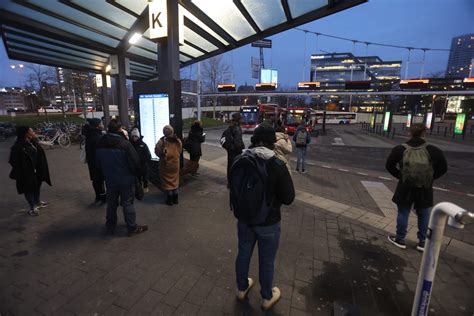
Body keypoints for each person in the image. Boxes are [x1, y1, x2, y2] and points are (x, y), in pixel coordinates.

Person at [230, 122, 295, 311]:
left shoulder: (240, 159)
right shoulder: (276, 163)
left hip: (244, 219)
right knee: (266, 261)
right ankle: (267, 297)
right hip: (269, 222)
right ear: (271, 142)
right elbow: (289, 198)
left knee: (243, 253)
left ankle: (242, 288)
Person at [386, 123, 447, 252]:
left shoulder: (400, 149)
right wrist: (429, 178)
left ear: (409, 132)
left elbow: (389, 166)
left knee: (403, 212)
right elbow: (443, 168)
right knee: (423, 213)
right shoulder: (433, 150)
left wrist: (401, 176)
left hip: (405, 187)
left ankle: (400, 239)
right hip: (425, 187)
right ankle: (422, 242)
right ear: (424, 133)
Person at [96, 120, 148, 236]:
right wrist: (138, 175)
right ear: (119, 129)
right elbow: (135, 162)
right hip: (126, 179)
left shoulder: (100, 143)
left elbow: (98, 164)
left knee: (111, 204)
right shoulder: (125, 144)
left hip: (110, 180)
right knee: (127, 203)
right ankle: (131, 228)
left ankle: (110, 226)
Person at [9, 126, 51, 216]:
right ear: (26, 134)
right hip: (27, 173)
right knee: (29, 189)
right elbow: (13, 161)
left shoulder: (32, 142)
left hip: (37, 170)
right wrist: (24, 168)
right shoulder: (18, 146)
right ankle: (33, 207)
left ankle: (38, 202)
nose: (33, 132)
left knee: (37, 185)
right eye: (31, 131)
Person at [155, 125, 182, 205]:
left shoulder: (161, 141)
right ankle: (176, 199)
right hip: (175, 165)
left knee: (167, 182)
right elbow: (179, 151)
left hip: (165, 165)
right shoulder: (177, 141)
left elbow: (157, 152)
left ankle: (169, 200)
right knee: (175, 180)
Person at [84, 118, 106, 204]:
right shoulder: (97, 137)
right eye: (101, 124)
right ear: (97, 126)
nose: (103, 125)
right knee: (100, 180)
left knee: (96, 180)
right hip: (98, 162)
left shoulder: (90, 135)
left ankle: (98, 196)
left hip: (92, 162)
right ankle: (103, 198)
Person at [221, 112, 245, 187]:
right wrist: (241, 150)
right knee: (236, 167)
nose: (242, 120)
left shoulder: (230, 128)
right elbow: (238, 142)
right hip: (236, 152)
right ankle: (235, 183)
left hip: (230, 151)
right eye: (241, 118)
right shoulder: (237, 128)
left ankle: (230, 183)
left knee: (230, 166)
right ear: (238, 120)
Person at [130, 128, 152, 193]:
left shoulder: (143, 145)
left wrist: (143, 160)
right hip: (136, 166)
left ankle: (145, 187)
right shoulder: (130, 145)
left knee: (145, 178)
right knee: (138, 179)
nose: (134, 138)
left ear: (138, 136)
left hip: (143, 165)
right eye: (133, 136)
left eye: (135, 136)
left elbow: (148, 155)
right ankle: (139, 189)